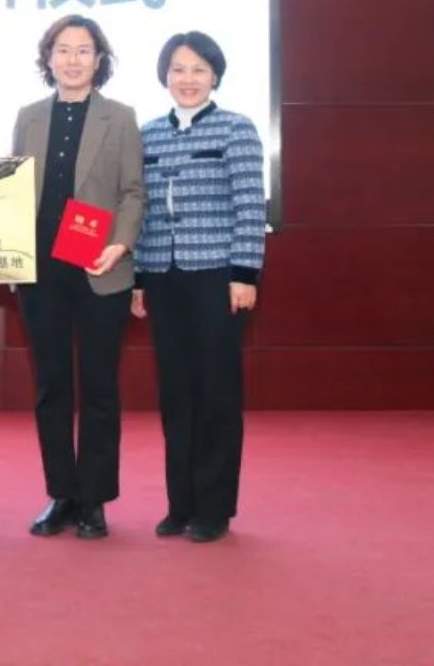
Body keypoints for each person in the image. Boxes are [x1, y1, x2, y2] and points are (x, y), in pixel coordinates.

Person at [11, 14, 144, 540]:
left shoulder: (121, 117)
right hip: (40, 269)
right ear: (48, 59)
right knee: (51, 386)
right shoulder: (27, 117)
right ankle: (61, 493)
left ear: (99, 59)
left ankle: (95, 498)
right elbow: (11, 191)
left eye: (83, 50)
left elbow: (133, 193)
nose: (72, 59)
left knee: (99, 386)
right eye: (63, 50)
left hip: (99, 268)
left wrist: (121, 244)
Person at [132, 31, 266, 544]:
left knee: (216, 393)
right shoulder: (147, 134)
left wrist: (244, 274)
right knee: (175, 393)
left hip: (216, 277)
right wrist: (137, 280)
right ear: (164, 76)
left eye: (198, 70)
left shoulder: (236, 128)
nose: (187, 79)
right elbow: (139, 212)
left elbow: (250, 205)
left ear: (215, 76)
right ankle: (180, 504)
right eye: (178, 70)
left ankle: (214, 508)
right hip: (162, 277)